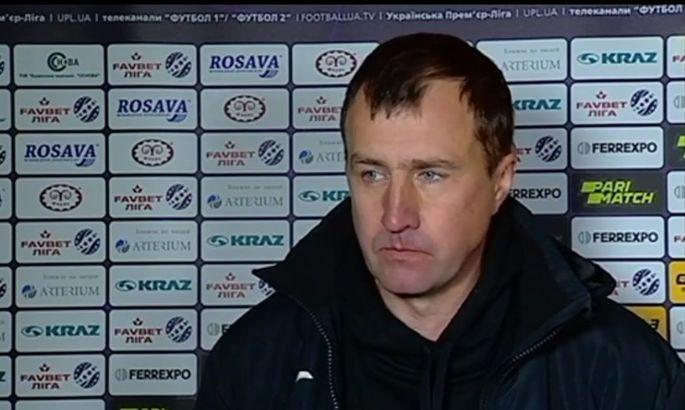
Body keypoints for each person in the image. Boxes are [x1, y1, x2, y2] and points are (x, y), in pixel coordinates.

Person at [194, 32, 685, 409]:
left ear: (501, 180)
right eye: (372, 173)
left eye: (430, 174)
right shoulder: (255, 360)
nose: (395, 215)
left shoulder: (620, 369)